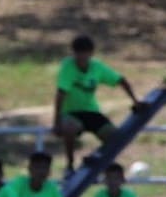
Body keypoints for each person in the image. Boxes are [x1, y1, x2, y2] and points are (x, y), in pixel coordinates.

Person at [53, 34, 146, 177]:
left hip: (91, 112)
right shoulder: (68, 67)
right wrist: (57, 121)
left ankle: (96, 158)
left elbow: (121, 80)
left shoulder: (97, 67)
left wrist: (135, 100)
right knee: (69, 128)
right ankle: (70, 165)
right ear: (74, 54)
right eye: (78, 54)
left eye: (85, 53)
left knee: (115, 137)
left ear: (91, 54)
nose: (82, 58)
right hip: (72, 112)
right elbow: (60, 94)